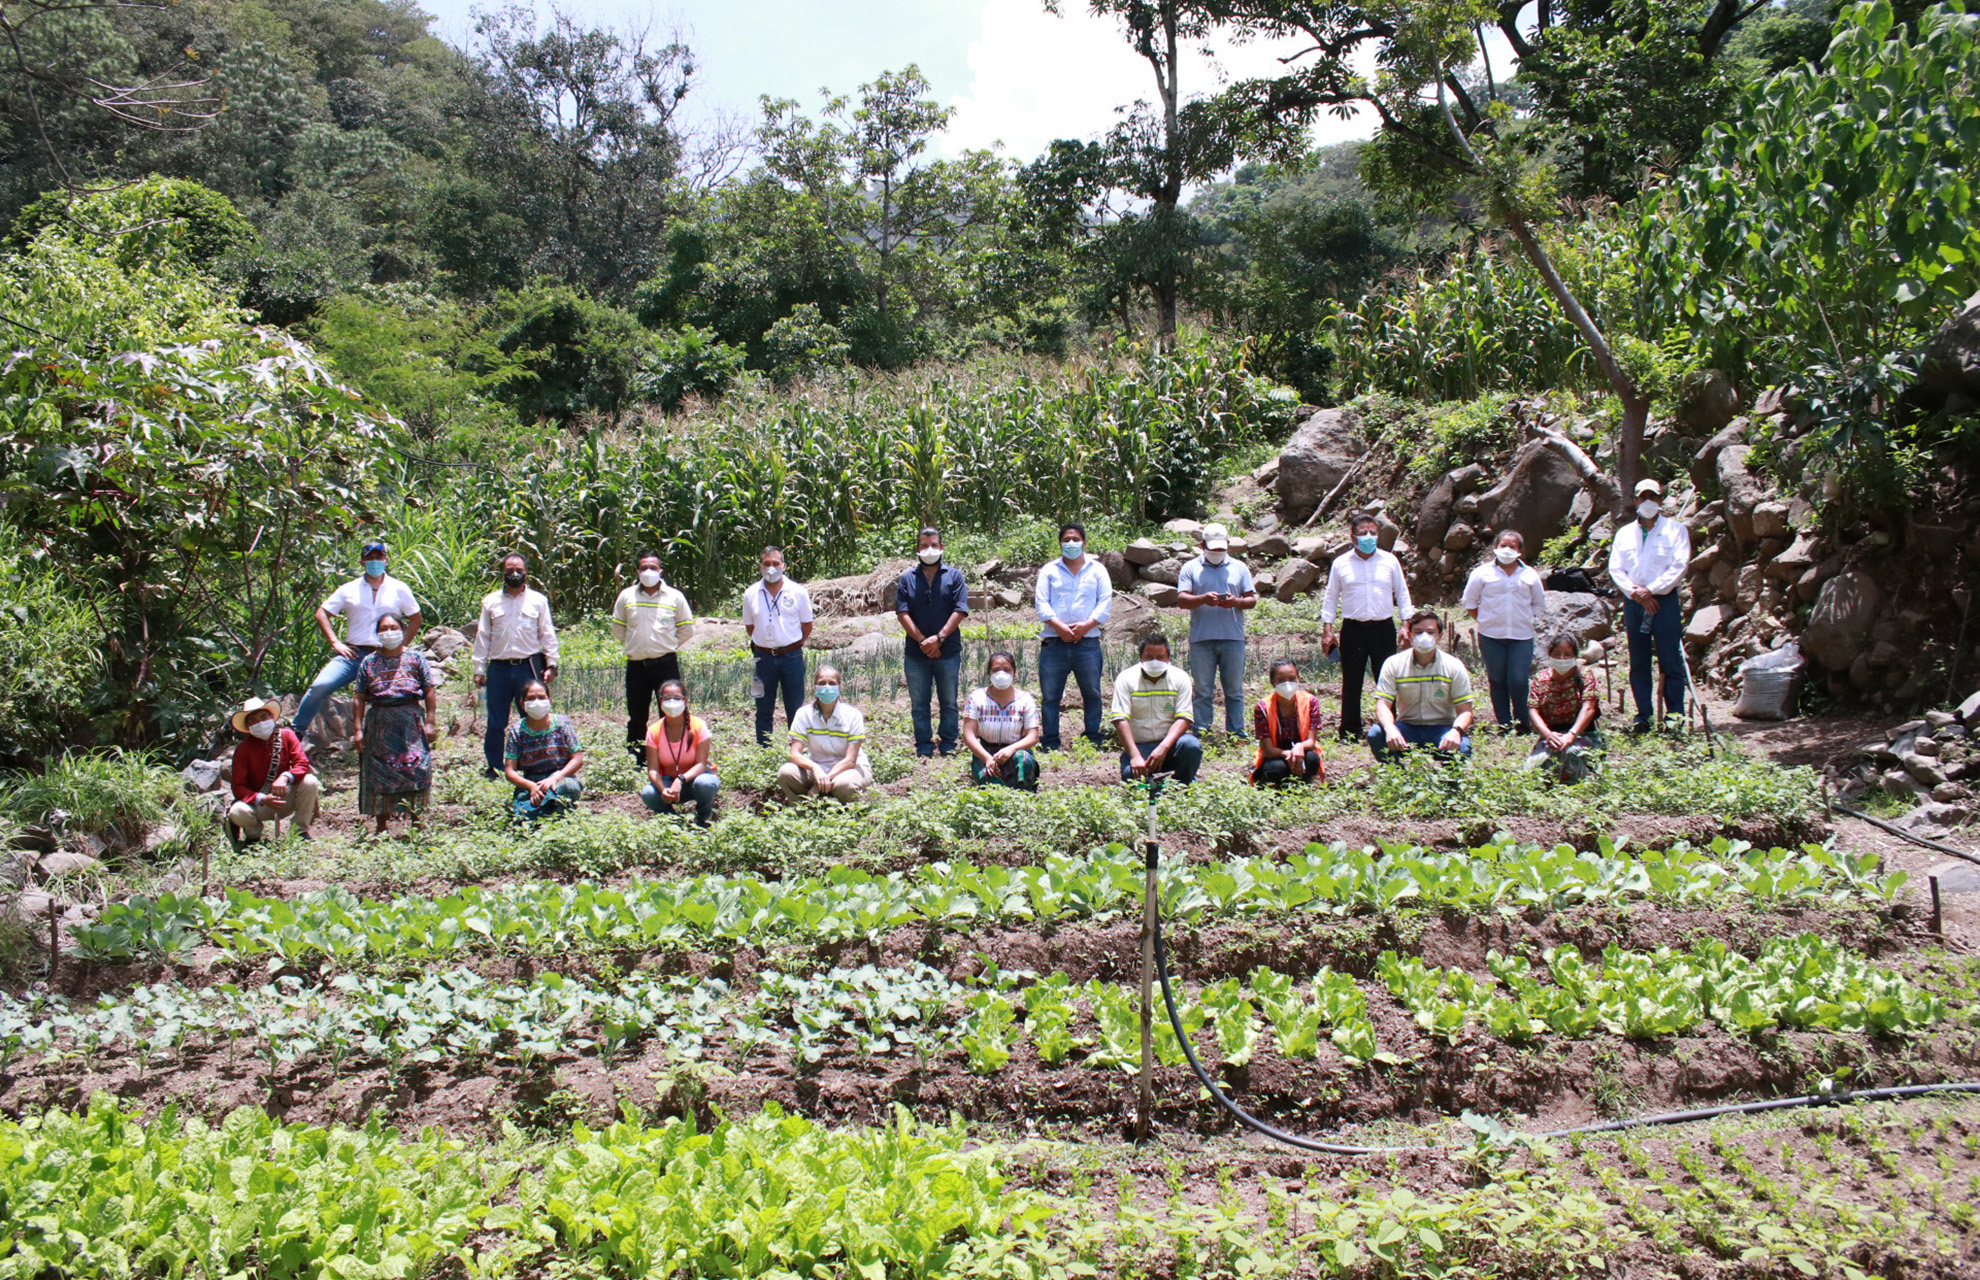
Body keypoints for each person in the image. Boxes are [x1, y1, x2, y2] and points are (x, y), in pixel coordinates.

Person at [295, 539, 422, 741]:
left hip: (387, 653)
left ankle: (406, 737)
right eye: (369, 558)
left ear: (386, 560)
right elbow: (322, 613)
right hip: (355, 654)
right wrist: (335, 643)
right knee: (319, 686)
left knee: (400, 696)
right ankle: (296, 731)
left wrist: (402, 645)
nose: (374, 561)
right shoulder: (349, 589)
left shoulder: (399, 588)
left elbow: (415, 617)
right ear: (362, 562)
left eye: (378, 557)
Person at [1608, 477, 1692, 732]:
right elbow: (1616, 568)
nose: (1648, 502)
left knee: (1670, 659)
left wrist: (1651, 591)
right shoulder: (1624, 533)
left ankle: (1675, 717)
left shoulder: (1676, 530)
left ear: (1660, 500)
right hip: (1635, 602)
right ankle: (1643, 715)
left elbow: (1680, 566)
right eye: (1642, 497)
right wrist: (1637, 594)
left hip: (1664, 601)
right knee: (1639, 660)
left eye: (1652, 497)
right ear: (1635, 501)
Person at [1321, 513, 1412, 745]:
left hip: (1383, 628)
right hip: (1353, 629)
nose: (1369, 537)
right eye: (1363, 533)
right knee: (1352, 681)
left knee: (1387, 679)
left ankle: (1389, 727)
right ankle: (1349, 731)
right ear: (1353, 537)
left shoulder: (1389, 561)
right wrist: (1327, 631)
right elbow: (1331, 597)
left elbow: (1402, 593)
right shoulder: (1341, 563)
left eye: (1373, 532)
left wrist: (1406, 624)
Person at [472, 552, 559, 778]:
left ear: (526, 573)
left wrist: (552, 663)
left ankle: (534, 762)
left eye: (518, 570)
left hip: (528, 666)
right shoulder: (490, 602)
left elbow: (547, 632)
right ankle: (494, 766)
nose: (514, 574)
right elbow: (483, 636)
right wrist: (478, 668)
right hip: (499, 668)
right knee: (496, 721)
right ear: (502, 573)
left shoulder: (538, 601)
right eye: (509, 571)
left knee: (533, 716)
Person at [351, 611, 438, 835]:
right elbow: (359, 697)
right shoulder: (368, 662)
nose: (389, 633)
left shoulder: (416, 658)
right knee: (380, 772)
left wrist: (430, 722)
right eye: (383, 629)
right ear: (376, 633)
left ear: (402, 629)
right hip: (380, 721)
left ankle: (417, 822)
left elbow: (429, 691)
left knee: (415, 767)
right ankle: (381, 826)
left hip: (410, 721)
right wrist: (358, 730)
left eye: (393, 628)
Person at [1035, 522, 1113, 751]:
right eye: (1066, 539)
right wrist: (1059, 627)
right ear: (1060, 543)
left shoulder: (1097, 570)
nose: (1071, 543)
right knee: (1050, 696)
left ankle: (1092, 737)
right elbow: (1041, 602)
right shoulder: (1049, 570)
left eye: (1075, 539)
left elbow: (1105, 603)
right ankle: (1050, 741)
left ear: (1084, 543)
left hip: (1087, 642)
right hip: (1054, 641)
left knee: (1092, 692)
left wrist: (1085, 626)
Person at [611, 552, 695, 766]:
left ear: (661, 571)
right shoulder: (627, 596)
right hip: (636, 665)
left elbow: (686, 629)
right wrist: (636, 645)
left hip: (665, 664)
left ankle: (672, 757)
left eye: (653, 568)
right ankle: (638, 758)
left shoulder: (674, 597)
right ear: (637, 572)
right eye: (644, 568)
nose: (649, 572)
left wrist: (667, 645)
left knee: (671, 711)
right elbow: (618, 629)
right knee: (637, 714)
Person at [1461, 530, 1549, 732]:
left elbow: (1538, 603)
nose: (1507, 550)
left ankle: (1523, 722)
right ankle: (1504, 724)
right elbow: (1470, 601)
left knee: (1518, 680)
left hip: (1522, 636)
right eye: (1503, 545)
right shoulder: (1482, 573)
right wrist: (1484, 620)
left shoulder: (1529, 575)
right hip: (1491, 636)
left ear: (1520, 551)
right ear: (1495, 548)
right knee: (1498, 681)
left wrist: (1525, 618)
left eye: (1513, 546)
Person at [1176, 523, 1257, 739]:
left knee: (1234, 690)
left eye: (1222, 549)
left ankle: (1237, 730)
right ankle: (1202, 729)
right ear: (1202, 545)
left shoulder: (1240, 568)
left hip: (1233, 637)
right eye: (1213, 550)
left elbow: (1251, 599)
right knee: (1202, 690)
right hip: (1202, 638)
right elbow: (1182, 599)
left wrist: (1235, 602)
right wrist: (1202, 599)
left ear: (1228, 545)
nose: (1217, 553)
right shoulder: (1190, 568)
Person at [896, 527, 970, 757]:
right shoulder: (907, 579)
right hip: (916, 653)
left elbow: (960, 610)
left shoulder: (954, 576)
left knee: (949, 701)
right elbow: (902, 612)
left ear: (942, 547)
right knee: (919, 703)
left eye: (934, 545)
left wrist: (938, 639)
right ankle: (924, 746)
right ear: (917, 549)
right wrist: (922, 641)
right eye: (924, 545)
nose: (929, 549)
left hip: (948, 650)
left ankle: (948, 743)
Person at [1369, 610, 1475, 763]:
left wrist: (1455, 731)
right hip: (1407, 728)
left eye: (1431, 632)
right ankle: (1396, 776)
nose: (1424, 637)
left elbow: (1465, 711)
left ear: (1440, 637)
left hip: (1442, 729)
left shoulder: (1454, 666)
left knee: (1463, 748)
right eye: (1418, 632)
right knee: (1376, 734)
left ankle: (1449, 783)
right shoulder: (1393, 664)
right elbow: (1382, 705)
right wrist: (1390, 728)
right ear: (1410, 634)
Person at [743, 546, 815, 748]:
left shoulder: (798, 592)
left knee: (795, 708)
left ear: (783, 566)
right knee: (763, 707)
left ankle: (797, 751)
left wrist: (792, 644)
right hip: (762, 658)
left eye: (776, 563)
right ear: (760, 567)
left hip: (791, 656)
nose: (771, 568)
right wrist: (767, 644)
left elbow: (807, 625)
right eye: (767, 564)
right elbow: (750, 627)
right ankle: (764, 750)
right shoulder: (750, 594)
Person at [225, 697, 319, 847]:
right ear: (249, 726)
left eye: (263, 717)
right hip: (260, 804)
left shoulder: (287, 736)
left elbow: (301, 763)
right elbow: (238, 787)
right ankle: (254, 837)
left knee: (310, 782)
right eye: (254, 721)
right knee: (237, 812)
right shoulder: (243, 749)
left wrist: (285, 777)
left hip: (286, 797)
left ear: (271, 717)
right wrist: (261, 798)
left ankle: (300, 831)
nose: (260, 723)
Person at [1111, 633, 1201, 787]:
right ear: (1140, 657)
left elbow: (1184, 718)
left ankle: (1182, 785)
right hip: (1141, 746)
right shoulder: (1126, 678)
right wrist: (1134, 756)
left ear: (1168, 658)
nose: (1154, 662)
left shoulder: (1180, 678)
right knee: (1130, 777)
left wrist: (1163, 747)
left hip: (1171, 745)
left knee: (1191, 746)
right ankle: (1155, 784)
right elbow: (1120, 719)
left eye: (1160, 657)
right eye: (1149, 657)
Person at [779, 665, 871, 801]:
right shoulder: (804, 714)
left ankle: (846, 815)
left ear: (840, 687)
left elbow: (850, 760)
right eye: (822, 683)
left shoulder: (852, 715)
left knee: (844, 785)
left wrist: (819, 784)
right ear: (815, 687)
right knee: (786, 772)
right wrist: (815, 768)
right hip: (818, 768)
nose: (827, 687)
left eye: (832, 683)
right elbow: (795, 755)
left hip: (849, 770)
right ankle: (801, 812)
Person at [503, 679, 586, 820]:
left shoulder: (562, 724)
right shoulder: (517, 731)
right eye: (531, 698)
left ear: (550, 701)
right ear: (522, 704)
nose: (537, 702)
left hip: (560, 780)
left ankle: (559, 820)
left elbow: (577, 759)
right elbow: (510, 771)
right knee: (523, 817)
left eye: (541, 697)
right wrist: (530, 786)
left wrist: (556, 777)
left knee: (569, 787)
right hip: (533, 786)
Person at [641, 679, 720, 826]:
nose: (672, 702)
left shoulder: (698, 726)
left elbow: (701, 765)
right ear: (660, 701)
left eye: (677, 698)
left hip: (695, 780)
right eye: (667, 698)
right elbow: (653, 769)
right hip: (668, 782)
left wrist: (680, 779)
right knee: (649, 794)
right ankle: (673, 821)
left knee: (705, 784)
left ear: (685, 701)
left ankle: (703, 817)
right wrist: (663, 789)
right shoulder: (654, 731)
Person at [1526, 633, 1604, 781]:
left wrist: (1572, 734)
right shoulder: (1540, 678)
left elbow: (1589, 707)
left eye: (1567, 654)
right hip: (1551, 735)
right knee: (1535, 769)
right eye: (1557, 654)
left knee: (1572, 753)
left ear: (1575, 656)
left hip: (1583, 734)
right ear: (1550, 656)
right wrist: (1548, 735)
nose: (1562, 658)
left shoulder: (1585, 675)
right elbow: (1533, 710)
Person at [961, 651, 1042, 790]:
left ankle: (1024, 797)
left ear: (1014, 674)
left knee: (1024, 761)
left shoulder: (1026, 700)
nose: (1001, 674)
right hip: (985, 751)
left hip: (1016, 751)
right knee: (990, 788)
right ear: (989, 674)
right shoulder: (977, 697)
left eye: (1007, 670)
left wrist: (1011, 749)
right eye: (996, 670)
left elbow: (1032, 736)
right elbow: (969, 735)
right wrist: (987, 758)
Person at [1250, 660, 1324, 787]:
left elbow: (1311, 742)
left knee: (1312, 759)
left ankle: (1304, 785)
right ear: (1272, 682)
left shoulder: (1310, 702)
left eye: (1292, 678)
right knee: (1276, 768)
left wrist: (1299, 747)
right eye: (1281, 680)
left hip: (1302, 750)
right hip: (1276, 754)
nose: (1287, 684)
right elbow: (1268, 750)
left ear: (1298, 678)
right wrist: (1288, 754)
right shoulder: (1262, 707)